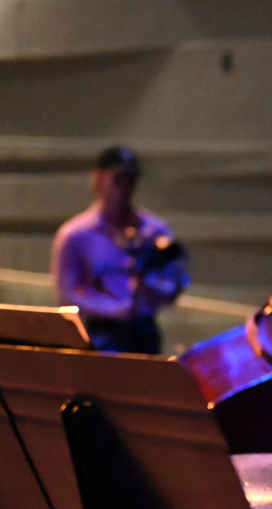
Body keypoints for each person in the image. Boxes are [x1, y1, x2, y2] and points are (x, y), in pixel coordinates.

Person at [51, 146, 190, 354]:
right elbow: (67, 295)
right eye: (118, 179)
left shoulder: (154, 230)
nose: (124, 187)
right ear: (98, 179)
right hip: (99, 334)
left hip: (143, 332)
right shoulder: (76, 234)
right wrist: (115, 309)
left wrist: (150, 289)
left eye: (130, 179)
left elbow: (175, 280)